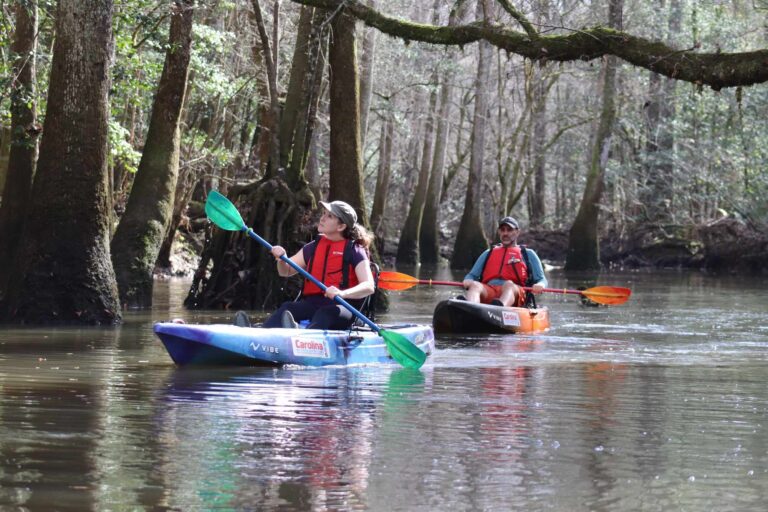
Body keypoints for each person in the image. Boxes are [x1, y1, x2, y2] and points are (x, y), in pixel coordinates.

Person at [262, 200, 376, 330]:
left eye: (329, 216)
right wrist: (282, 259)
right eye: (323, 213)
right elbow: (285, 271)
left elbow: (368, 286)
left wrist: (342, 293)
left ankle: (299, 335)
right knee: (287, 308)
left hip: (343, 307)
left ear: (341, 227)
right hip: (313, 304)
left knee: (324, 314)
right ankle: (259, 336)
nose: (322, 218)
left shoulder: (355, 251)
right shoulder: (313, 247)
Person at [461, 216, 547, 307]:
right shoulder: (488, 253)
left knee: (509, 284)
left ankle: (500, 307)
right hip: (490, 290)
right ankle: (470, 306)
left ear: (517, 232)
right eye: (502, 230)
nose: (505, 233)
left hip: (516, 293)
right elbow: (472, 275)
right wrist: (468, 280)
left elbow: (542, 279)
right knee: (475, 285)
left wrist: (540, 285)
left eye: (509, 230)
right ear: (499, 232)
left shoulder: (528, 254)